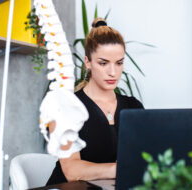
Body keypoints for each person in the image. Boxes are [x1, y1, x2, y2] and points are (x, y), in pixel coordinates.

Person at [46, 18, 144, 185]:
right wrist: (124, 169)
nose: (113, 72)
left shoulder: (133, 106)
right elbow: (72, 171)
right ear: (88, 62)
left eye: (119, 63)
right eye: (103, 63)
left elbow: (144, 156)